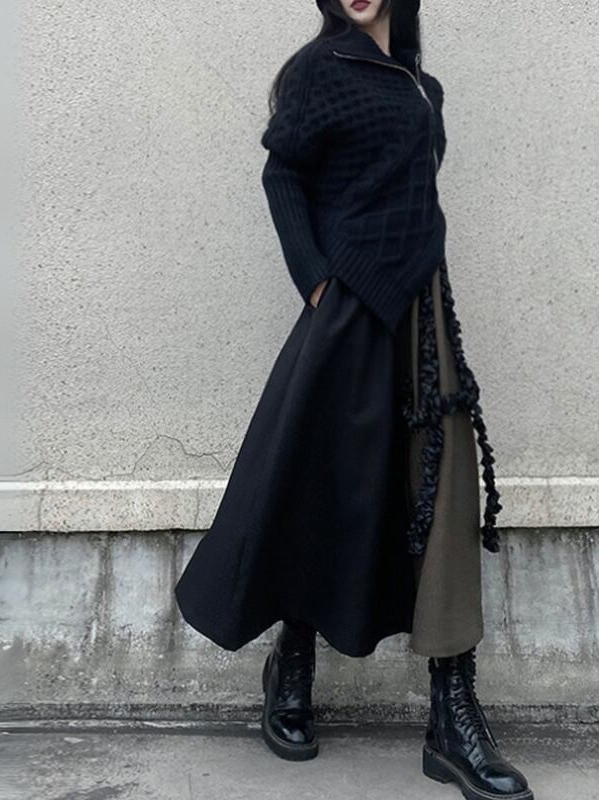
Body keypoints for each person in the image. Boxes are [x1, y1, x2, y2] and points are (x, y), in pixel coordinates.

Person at [174, 1, 534, 797]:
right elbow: (282, 174)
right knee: (319, 485)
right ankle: (293, 663)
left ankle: (452, 717)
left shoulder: (421, 86)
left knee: (440, 499)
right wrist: (315, 282)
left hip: (423, 315)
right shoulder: (318, 70)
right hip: (349, 314)